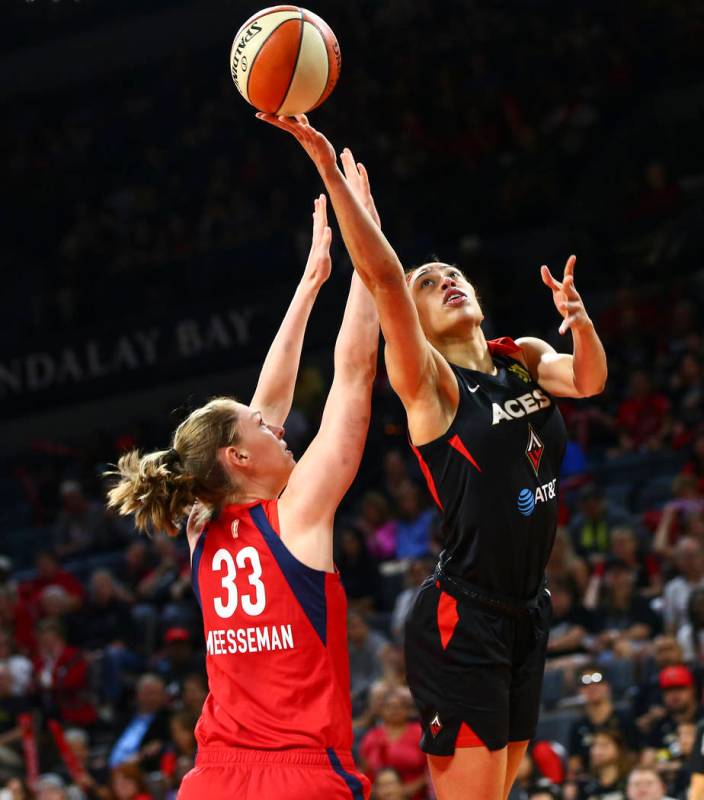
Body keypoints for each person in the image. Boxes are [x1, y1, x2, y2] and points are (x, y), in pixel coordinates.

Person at [257, 112, 607, 800]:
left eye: (452, 273)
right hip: (462, 618)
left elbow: (590, 380)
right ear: (411, 322)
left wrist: (583, 324)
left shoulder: (525, 357)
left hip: (526, 608)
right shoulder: (431, 388)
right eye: (428, 283)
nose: (446, 278)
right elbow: (386, 280)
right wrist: (336, 179)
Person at [107, 193, 379, 799]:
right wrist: (369, 255)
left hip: (213, 780)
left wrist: (311, 282)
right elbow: (355, 374)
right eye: (261, 428)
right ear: (238, 457)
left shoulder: (200, 519)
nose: (276, 424)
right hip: (302, 776)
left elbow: (268, 400)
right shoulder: (299, 515)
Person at [359, 687, 426, 800]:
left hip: (417, 795)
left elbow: (430, 768)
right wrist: (377, 791)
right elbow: (365, 770)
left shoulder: (419, 732)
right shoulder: (371, 736)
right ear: (381, 710)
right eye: (389, 706)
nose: (394, 710)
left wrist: (411, 788)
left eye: (399, 706)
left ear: (408, 710)